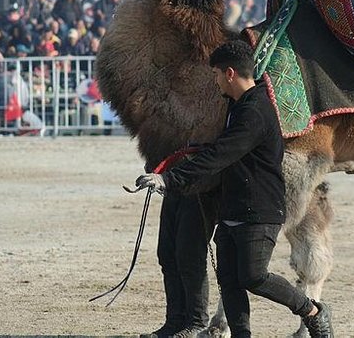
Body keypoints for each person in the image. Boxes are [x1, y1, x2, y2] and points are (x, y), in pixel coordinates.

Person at [135, 40, 334, 338]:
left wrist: (169, 179)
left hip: (259, 212)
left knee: (254, 277)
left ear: (230, 74)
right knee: (229, 282)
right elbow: (222, 150)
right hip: (233, 208)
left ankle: (312, 311)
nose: (214, 81)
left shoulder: (255, 111)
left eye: (216, 74)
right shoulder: (237, 106)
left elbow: (222, 154)